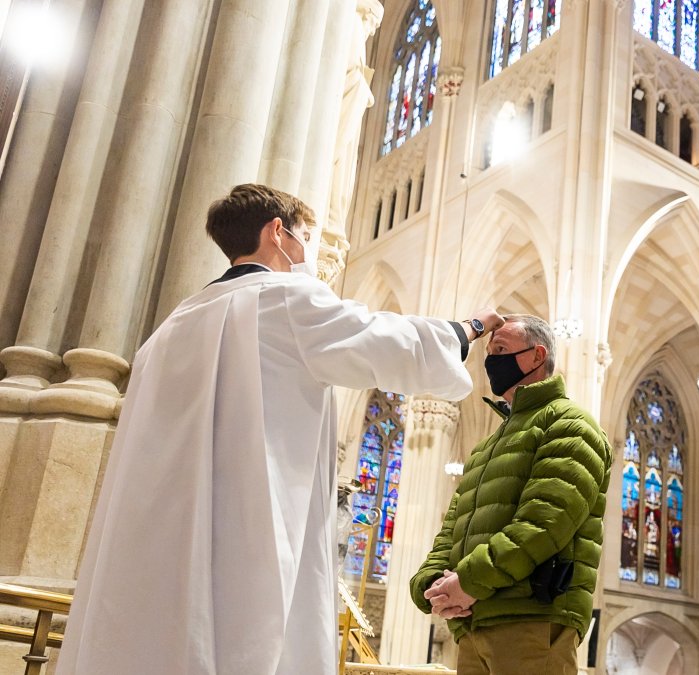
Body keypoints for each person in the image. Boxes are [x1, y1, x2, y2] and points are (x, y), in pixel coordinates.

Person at [58, 184, 503, 675]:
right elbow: (384, 341)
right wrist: (469, 328)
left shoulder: (170, 328)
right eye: (305, 237)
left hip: (153, 540)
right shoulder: (285, 299)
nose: (307, 251)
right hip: (241, 531)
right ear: (278, 232)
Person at [409, 314, 613, 675]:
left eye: (500, 349)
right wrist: (430, 585)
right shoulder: (487, 447)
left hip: (532, 618)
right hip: (475, 621)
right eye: (488, 352)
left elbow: (542, 525)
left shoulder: (570, 425)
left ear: (537, 356)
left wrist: (467, 582)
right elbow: (453, 528)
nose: (491, 360)